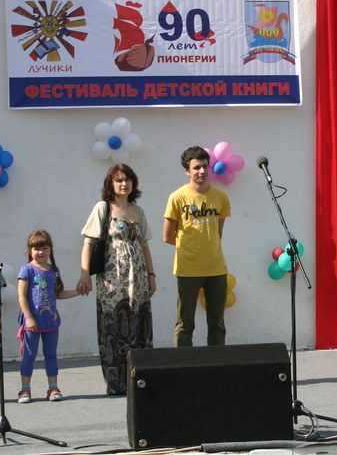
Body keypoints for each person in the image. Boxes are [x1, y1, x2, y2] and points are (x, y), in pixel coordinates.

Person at [77, 164, 157, 395]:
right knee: (113, 329)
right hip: (112, 279)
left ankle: (140, 379)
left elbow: (144, 245)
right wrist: (85, 273)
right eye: (119, 180)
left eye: (128, 179)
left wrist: (151, 276)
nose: (124, 184)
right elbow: (88, 243)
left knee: (139, 326)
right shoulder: (103, 209)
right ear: (110, 184)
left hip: (138, 277)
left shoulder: (138, 211)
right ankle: (115, 381)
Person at [163, 146, 231, 347]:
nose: (202, 171)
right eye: (196, 167)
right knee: (185, 324)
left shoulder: (220, 197)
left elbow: (217, 233)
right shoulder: (177, 197)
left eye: (205, 166)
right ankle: (183, 370)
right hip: (188, 269)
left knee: (217, 323)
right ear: (187, 170)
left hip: (216, 269)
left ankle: (217, 367)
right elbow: (167, 236)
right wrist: (191, 247)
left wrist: (206, 246)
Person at [17, 230, 80, 403]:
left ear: (50, 250)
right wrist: (29, 317)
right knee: (29, 355)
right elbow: (21, 296)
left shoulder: (54, 271)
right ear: (29, 251)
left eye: (44, 248)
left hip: (50, 322)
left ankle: (53, 387)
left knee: (51, 354)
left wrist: (77, 292)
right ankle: (25, 390)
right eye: (36, 248)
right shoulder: (27, 270)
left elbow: (58, 294)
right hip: (31, 323)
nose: (40, 252)